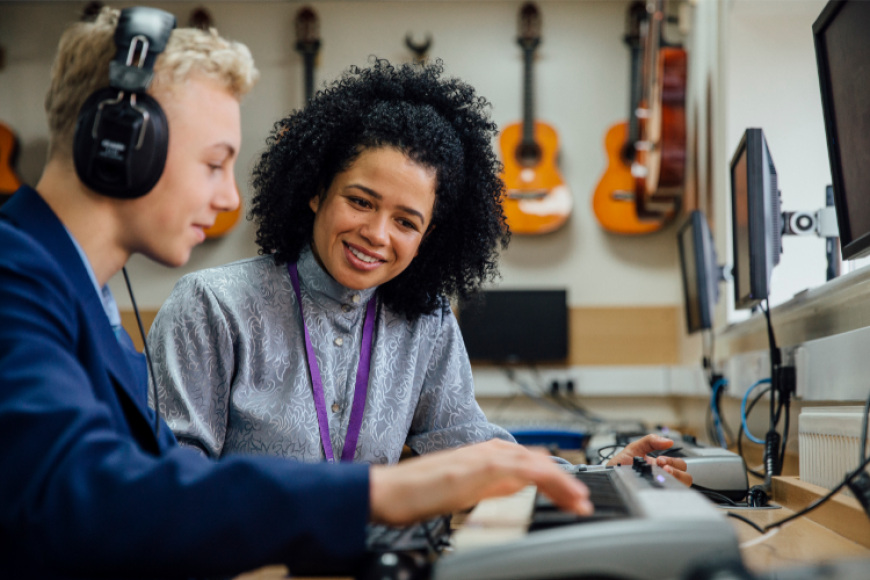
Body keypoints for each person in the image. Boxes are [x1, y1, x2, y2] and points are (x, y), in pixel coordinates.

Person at [0, 8, 596, 579]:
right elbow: (84, 494)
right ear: (121, 148)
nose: (230, 198)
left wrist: (592, 473)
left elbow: (158, 479)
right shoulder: (15, 279)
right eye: (214, 164)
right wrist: (379, 491)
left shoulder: (79, 295)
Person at [147, 58, 693, 488]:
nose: (378, 234)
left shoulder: (425, 320)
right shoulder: (211, 306)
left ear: (429, 234)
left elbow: (467, 444)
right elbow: (170, 478)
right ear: (316, 191)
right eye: (360, 201)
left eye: (406, 221)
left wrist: (600, 474)